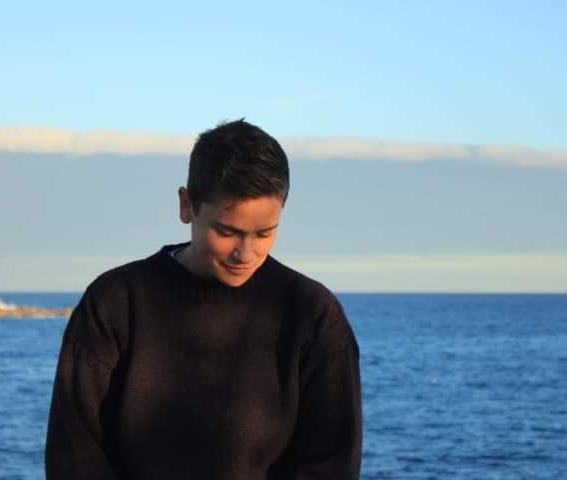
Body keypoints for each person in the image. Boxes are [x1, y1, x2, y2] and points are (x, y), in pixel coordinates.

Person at [45, 119, 362, 479]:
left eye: (264, 233)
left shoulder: (314, 316)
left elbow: (331, 465)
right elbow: (74, 455)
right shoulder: (114, 303)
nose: (246, 253)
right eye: (227, 231)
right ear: (186, 206)